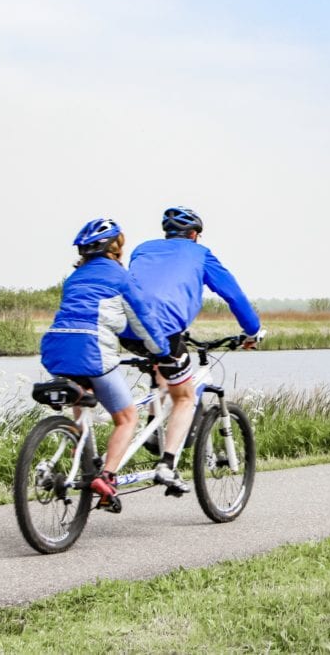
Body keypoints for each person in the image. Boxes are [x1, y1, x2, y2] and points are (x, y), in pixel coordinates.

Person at [123, 206, 264, 495]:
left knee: (164, 369)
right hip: (164, 330)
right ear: (195, 235)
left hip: (126, 329)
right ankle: (168, 464)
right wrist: (252, 331)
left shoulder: (142, 249)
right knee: (186, 395)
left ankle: (154, 427)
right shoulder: (200, 254)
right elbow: (233, 294)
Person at [41, 218, 172, 510]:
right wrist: (162, 351)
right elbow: (143, 321)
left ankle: (81, 450)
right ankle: (107, 477)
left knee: (83, 398)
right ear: (116, 248)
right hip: (92, 350)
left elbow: (100, 314)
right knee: (126, 417)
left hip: (56, 349)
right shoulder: (120, 277)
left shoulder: (74, 278)